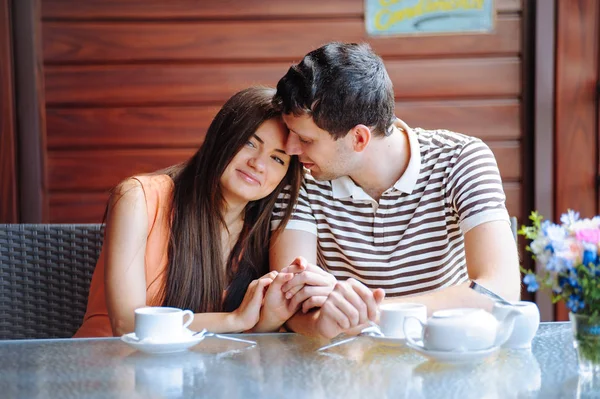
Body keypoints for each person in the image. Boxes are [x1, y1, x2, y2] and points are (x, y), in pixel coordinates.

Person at [268, 42, 521, 339]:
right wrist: (321, 324)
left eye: (306, 139)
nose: (289, 148)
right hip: (346, 366)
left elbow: (499, 291)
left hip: (447, 354)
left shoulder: (461, 159)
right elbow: (290, 303)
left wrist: (370, 311)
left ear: (359, 138)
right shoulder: (301, 174)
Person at [74, 86, 302, 338]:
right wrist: (234, 320)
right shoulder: (138, 198)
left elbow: (248, 337)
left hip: (198, 371)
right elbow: (127, 325)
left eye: (277, 159)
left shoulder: (262, 234)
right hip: (112, 366)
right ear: (222, 137)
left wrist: (268, 318)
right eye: (249, 143)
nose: (258, 164)